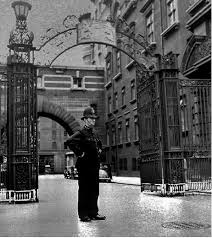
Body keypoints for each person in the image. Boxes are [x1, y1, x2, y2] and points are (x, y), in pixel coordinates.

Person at [65, 107, 106, 222]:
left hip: (94, 166)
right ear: (85, 120)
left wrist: (99, 150)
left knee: (94, 190)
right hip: (84, 167)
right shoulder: (81, 133)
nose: (94, 121)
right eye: (91, 119)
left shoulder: (94, 133)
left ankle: (93, 212)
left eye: (94, 119)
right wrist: (80, 153)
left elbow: (99, 144)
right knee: (84, 191)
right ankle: (83, 214)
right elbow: (69, 141)